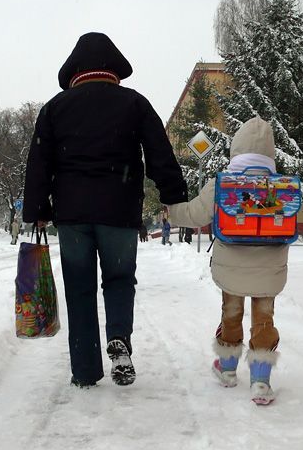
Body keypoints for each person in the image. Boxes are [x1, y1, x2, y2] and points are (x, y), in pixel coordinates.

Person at [23, 32, 188, 388]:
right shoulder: (134, 103)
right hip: (120, 211)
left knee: (79, 288)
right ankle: (120, 341)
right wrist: (173, 195)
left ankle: (84, 369)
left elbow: (39, 161)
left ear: (74, 70)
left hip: (72, 216)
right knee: (118, 279)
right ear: (113, 67)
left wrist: (37, 207)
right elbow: (159, 152)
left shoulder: (55, 107)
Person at [166, 117, 289, 406]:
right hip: (269, 269)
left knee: (231, 314)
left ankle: (228, 368)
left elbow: (196, 214)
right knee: (264, 320)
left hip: (231, 265)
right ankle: (260, 380)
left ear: (237, 150)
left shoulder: (222, 184)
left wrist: (170, 213)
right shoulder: (281, 185)